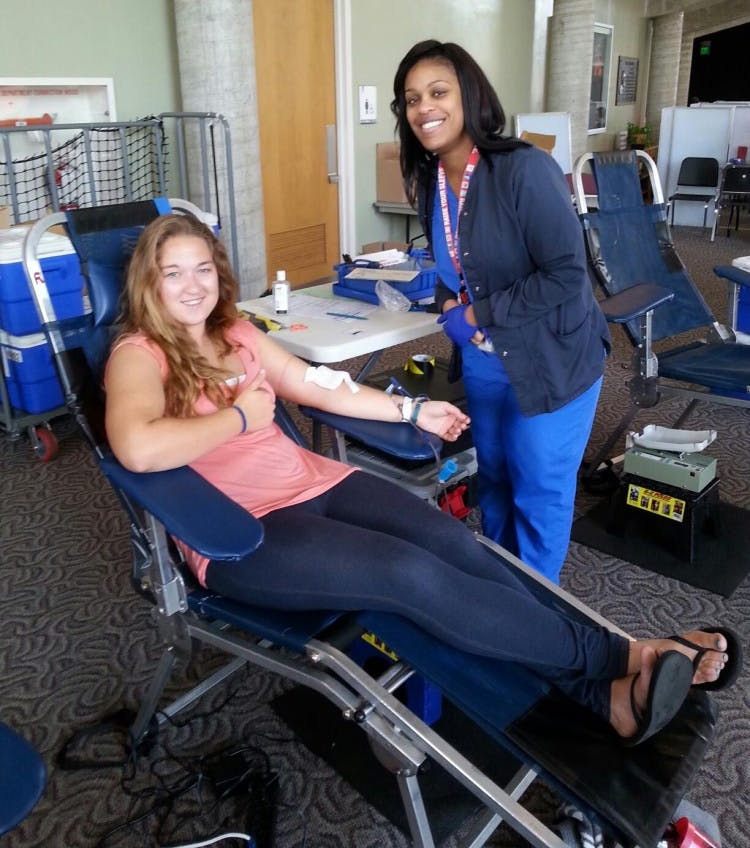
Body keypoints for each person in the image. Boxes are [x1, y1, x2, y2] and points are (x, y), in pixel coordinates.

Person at [104, 212, 737, 748]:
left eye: (203, 268)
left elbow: (315, 383)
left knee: (456, 544)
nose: (193, 285)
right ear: (148, 283)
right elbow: (136, 447)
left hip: (316, 482)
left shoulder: (235, 330)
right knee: (407, 575)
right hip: (240, 531)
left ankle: (605, 697)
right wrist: (240, 418)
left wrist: (411, 408)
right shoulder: (139, 354)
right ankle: (620, 655)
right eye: (173, 272)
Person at [391, 39, 610, 583]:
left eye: (438, 92)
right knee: (495, 483)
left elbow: (566, 275)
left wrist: (479, 314)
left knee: (538, 488)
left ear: (469, 95)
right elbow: (452, 267)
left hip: (552, 356)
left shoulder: (523, 169)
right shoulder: (431, 179)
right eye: (412, 99)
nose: (424, 108)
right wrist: (447, 302)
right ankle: (505, 592)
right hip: (488, 362)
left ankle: (537, 615)